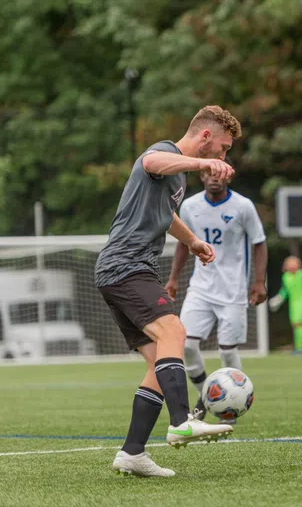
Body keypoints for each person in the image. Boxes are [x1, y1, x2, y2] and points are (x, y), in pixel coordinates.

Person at [95, 105, 240, 477]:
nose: (224, 157)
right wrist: (203, 165)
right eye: (223, 149)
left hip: (126, 270)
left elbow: (165, 214)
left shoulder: (178, 176)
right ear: (205, 136)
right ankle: (181, 421)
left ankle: (132, 453)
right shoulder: (167, 153)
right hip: (125, 266)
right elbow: (150, 162)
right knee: (175, 331)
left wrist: (192, 241)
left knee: (158, 359)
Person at [165, 168, 268, 422]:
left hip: (232, 291)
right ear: (201, 177)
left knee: (228, 352)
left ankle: (232, 409)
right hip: (200, 288)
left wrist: (258, 281)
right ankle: (206, 400)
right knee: (186, 345)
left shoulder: (243, 206)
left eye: (219, 174)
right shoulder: (190, 206)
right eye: (208, 173)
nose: (214, 178)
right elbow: (183, 243)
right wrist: (173, 278)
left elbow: (259, 242)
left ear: (229, 177)